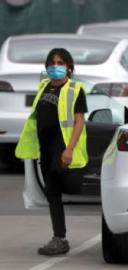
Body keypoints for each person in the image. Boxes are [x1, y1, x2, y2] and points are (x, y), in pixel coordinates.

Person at [15, 48, 88, 256]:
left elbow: (79, 120)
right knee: (51, 193)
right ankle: (59, 238)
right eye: (52, 63)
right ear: (47, 67)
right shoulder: (44, 86)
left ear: (69, 67)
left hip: (62, 147)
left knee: (57, 185)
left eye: (61, 63)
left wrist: (70, 149)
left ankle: (60, 237)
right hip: (45, 148)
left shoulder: (75, 89)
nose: (56, 67)